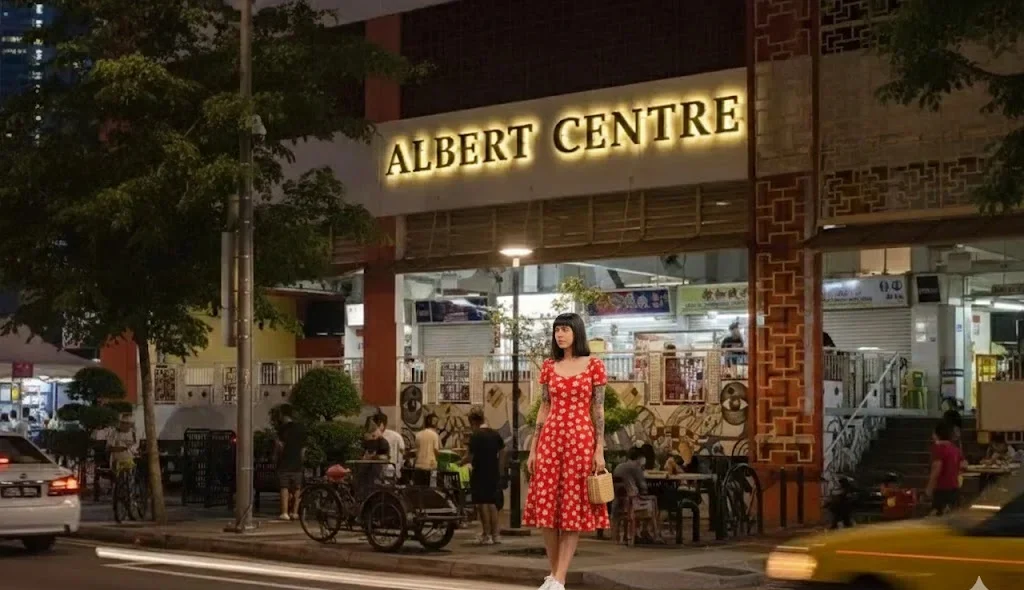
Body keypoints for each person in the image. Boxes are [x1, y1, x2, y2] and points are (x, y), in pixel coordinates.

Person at [524, 312, 610, 590]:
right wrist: (534, 447)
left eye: (565, 329)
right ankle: (555, 576)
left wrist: (600, 448)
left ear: (577, 332)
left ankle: (558, 579)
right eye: (556, 330)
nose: (560, 334)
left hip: (580, 441)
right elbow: (544, 407)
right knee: (546, 509)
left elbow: (598, 409)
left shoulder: (594, 365)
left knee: (572, 509)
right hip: (550, 439)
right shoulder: (549, 366)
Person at [464, 406, 506, 545]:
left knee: (482, 503)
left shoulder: (475, 436)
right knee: (492, 503)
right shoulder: (494, 434)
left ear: (473, 421)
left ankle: (486, 534)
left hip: (480, 472)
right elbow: (503, 451)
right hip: (493, 472)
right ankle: (496, 535)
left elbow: (469, 457)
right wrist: (500, 468)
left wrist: (459, 462)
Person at [613, 446, 660, 542]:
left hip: (618, 502)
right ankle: (649, 532)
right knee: (653, 500)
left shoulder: (619, 466)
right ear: (640, 458)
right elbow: (643, 487)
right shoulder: (636, 468)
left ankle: (633, 533)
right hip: (633, 502)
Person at [925, 420, 966, 516]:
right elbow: (964, 464)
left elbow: (937, 468)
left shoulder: (938, 448)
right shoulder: (955, 449)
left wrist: (929, 487)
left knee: (937, 519)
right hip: (954, 489)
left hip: (941, 489)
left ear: (937, 434)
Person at [274, 404, 306, 521]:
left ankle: (284, 513)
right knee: (297, 488)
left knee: (284, 487)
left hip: (285, 462)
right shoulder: (301, 428)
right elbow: (303, 449)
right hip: (297, 462)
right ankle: (295, 512)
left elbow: (279, 446)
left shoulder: (282, 429)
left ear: (282, 415)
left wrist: (276, 457)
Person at [413, 414, 442, 486]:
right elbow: (436, 450)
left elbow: (415, 450)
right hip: (430, 466)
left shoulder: (418, 434)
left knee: (418, 488)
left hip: (418, 465)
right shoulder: (435, 435)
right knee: (430, 490)